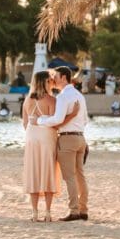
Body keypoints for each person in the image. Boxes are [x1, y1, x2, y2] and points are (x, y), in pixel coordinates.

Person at [21, 71, 77, 223]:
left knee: (34, 172)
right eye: (50, 81)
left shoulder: (27, 101)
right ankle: (47, 212)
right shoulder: (51, 100)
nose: (52, 83)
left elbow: (25, 123)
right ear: (45, 82)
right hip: (47, 136)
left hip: (32, 137)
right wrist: (71, 116)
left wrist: (34, 129)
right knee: (48, 171)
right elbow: (55, 123)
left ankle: (34, 213)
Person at [37, 66, 90, 222]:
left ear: (64, 78)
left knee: (70, 177)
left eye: (56, 76)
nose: (53, 79)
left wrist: (41, 120)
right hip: (81, 138)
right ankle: (83, 209)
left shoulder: (63, 96)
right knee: (80, 175)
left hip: (67, 139)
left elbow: (58, 119)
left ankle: (74, 211)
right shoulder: (79, 95)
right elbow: (85, 120)